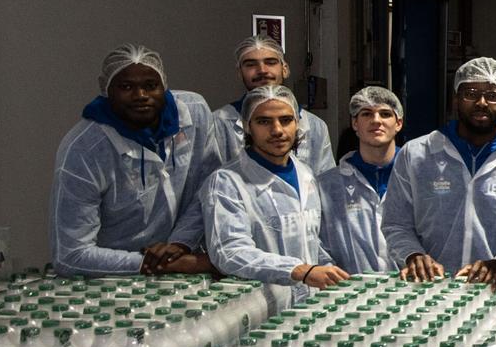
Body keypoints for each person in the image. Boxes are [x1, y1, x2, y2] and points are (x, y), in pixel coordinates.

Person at [50, 44, 217, 277]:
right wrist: (158, 264)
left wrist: (179, 245)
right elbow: (70, 255)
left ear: (164, 85)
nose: (141, 96)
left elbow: (206, 190)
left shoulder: (195, 113)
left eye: (150, 86)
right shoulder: (85, 149)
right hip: (112, 278)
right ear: (107, 91)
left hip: (184, 265)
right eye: (126, 87)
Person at [382, 57, 496, 283]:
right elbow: (396, 223)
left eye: (493, 96)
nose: (482, 102)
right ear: (455, 99)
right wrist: (412, 255)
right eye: (471, 93)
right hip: (429, 289)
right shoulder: (416, 154)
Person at [200, 85, 348, 310]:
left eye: (286, 120)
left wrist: (329, 271)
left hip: (310, 306)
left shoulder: (305, 174)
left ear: (297, 124)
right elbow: (230, 253)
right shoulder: (226, 182)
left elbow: (309, 240)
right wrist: (298, 270)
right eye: (264, 121)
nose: (277, 130)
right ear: (247, 127)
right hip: (259, 310)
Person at [211, 35, 335, 174]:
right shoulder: (218, 123)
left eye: (270, 62)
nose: (262, 70)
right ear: (239, 73)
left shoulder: (315, 126)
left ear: (285, 69)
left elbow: (325, 182)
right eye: (251, 64)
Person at [316, 86, 402, 275]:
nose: (376, 120)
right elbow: (318, 244)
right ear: (355, 123)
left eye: (385, 114)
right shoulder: (328, 185)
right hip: (351, 294)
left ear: (399, 123)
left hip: (416, 294)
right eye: (366, 114)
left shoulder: (418, 176)